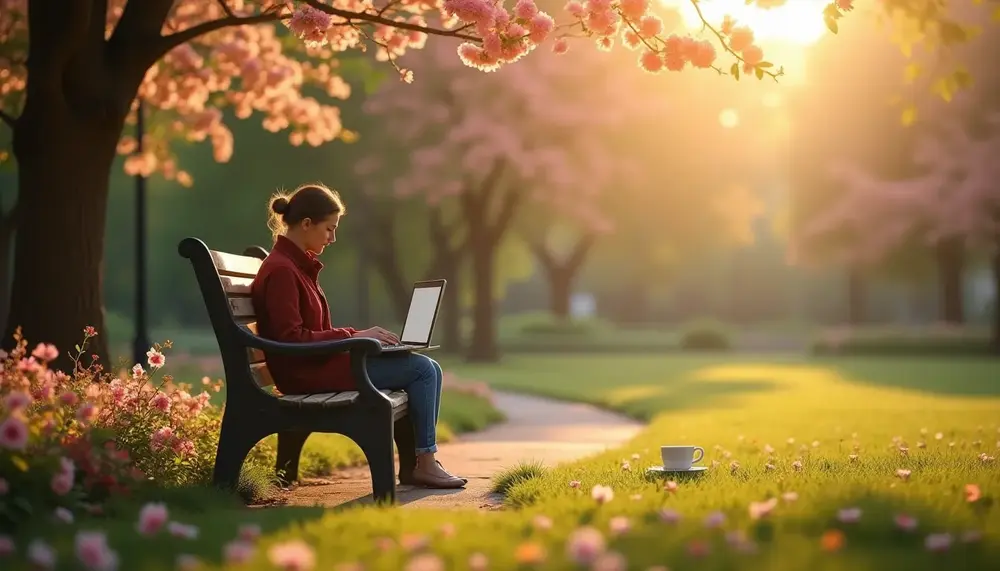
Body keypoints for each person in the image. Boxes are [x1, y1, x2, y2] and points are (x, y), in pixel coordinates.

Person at [250, 183, 466, 489]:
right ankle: (425, 464)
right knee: (422, 370)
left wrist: (357, 339)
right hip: (305, 374)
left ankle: (421, 464)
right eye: (329, 228)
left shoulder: (294, 266)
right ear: (307, 223)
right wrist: (355, 336)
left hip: (315, 366)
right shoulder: (284, 271)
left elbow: (303, 334)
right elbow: (292, 339)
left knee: (426, 367)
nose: (333, 237)